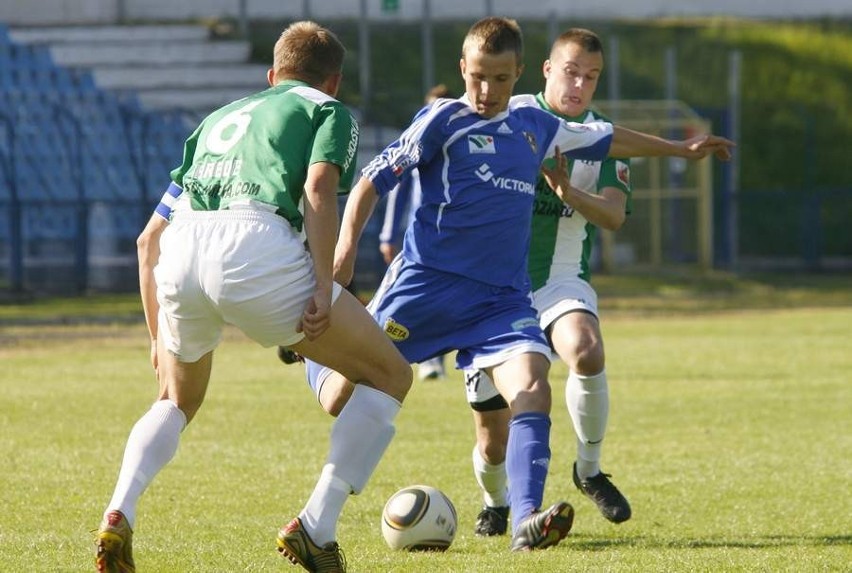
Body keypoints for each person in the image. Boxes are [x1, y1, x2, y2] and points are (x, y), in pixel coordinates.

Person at [303, 15, 734, 553]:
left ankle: (527, 521)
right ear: (463, 68)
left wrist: (679, 150)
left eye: (501, 79)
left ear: (520, 74)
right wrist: (344, 251)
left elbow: (607, 139)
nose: (487, 91)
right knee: (343, 396)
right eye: (478, 76)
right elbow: (371, 180)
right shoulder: (443, 118)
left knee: (533, 383)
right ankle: (313, 352)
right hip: (425, 288)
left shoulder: (536, 123)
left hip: (499, 300)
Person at [94, 21, 412, 573]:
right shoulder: (327, 110)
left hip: (183, 252)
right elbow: (317, 189)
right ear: (332, 82)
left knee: (175, 399)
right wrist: (323, 283)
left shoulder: (217, 119)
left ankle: (118, 509)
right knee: (391, 376)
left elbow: (149, 240)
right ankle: (317, 526)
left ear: (271, 76)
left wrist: (156, 337)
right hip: (254, 244)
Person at [467, 27, 646, 537]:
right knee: (492, 437)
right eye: (571, 72)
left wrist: (567, 190)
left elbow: (613, 218)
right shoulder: (512, 113)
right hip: (496, 290)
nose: (579, 85)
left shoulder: (605, 139)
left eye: (590, 77)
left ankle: (588, 470)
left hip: (560, 280)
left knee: (586, 350)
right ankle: (496, 502)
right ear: (547, 70)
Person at [378, 84, 451, 381]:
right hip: (418, 234)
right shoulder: (417, 142)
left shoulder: (455, 142)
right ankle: (415, 357)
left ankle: (436, 360)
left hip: (451, 234)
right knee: (416, 295)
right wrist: (388, 235)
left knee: (444, 296)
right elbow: (399, 189)